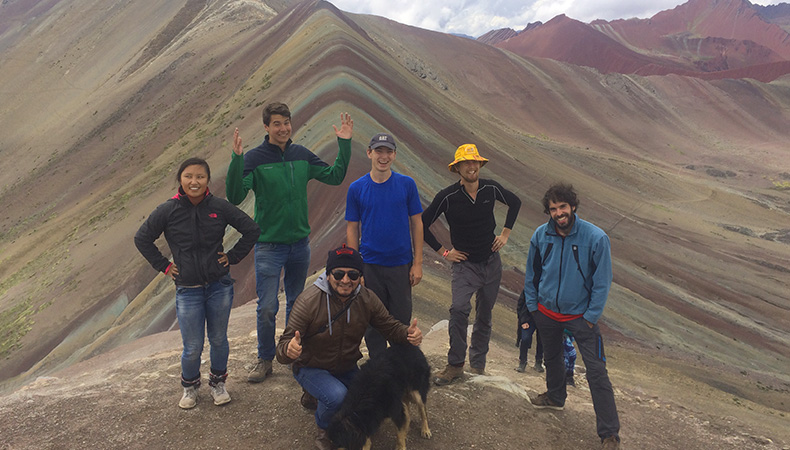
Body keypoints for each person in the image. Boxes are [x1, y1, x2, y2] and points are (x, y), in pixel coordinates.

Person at [226, 102, 354, 383]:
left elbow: (334, 176)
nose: (283, 128)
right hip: (269, 246)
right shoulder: (255, 158)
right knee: (268, 306)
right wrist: (237, 159)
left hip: (299, 244)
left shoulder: (301, 155)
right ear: (266, 127)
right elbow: (235, 196)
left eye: (286, 122)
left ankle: (292, 353)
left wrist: (344, 145)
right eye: (277, 124)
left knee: (298, 304)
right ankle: (265, 358)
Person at [134, 157, 260, 409]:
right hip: (187, 289)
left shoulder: (219, 207)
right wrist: (166, 266)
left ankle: (218, 383)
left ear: (207, 180)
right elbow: (142, 238)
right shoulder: (167, 210)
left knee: (218, 339)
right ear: (180, 179)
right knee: (192, 346)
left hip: (218, 285)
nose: (194, 181)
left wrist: (232, 257)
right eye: (189, 176)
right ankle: (190, 387)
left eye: (200, 177)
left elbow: (252, 229)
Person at [276, 245, 423, 450]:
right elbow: (282, 348)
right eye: (338, 273)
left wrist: (408, 334)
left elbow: (390, 327)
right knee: (339, 397)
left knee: (374, 394)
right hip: (311, 366)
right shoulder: (308, 301)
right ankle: (325, 430)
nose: (345, 280)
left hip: (346, 366)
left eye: (353, 274)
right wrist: (289, 350)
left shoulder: (367, 298)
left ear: (360, 277)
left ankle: (318, 394)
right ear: (328, 275)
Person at [523, 183, 620, 449]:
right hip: (546, 312)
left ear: (573, 206)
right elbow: (531, 274)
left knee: (597, 372)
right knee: (552, 358)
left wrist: (590, 316)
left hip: (581, 317)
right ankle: (555, 397)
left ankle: (609, 433)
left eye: (562, 207)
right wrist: (533, 306)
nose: (558, 213)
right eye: (553, 209)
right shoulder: (541, 235)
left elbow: (603, 281)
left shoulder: (596, 238)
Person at [422, 144, 521, 385]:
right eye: (466, 163)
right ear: (457, 168)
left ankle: (478, 365)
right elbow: (422, 224)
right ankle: (455, 365)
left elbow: (515, 202)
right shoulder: (447, 197)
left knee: (485, 315)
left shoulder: (490, 188)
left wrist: (505, 233)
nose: (471, 166)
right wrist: (444, 252)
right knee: (458, 310)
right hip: (464, 266)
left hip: (491, 263)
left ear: (480, 165)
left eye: (474, 162)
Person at [345, 132, 424, 359]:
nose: (384, 156)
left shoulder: (406, 185)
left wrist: (417, 263)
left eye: (389, 152)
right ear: (369, 153)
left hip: (401, 265)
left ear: (395, 155)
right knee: (372, 321)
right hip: (370, 266)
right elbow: (352, 228)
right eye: (379, 151)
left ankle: (400, 368)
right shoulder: (357, 188)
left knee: (401, 320)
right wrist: (355, 268)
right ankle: (379, 367)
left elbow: (417, 223)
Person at [515, 291, 544, 373]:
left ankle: (538, 362)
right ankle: (522, 362)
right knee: (525, 339)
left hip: (543, 319)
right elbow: (520, 304)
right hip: (528, 318)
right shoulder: (530, 287)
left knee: (542, 341)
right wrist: (523, 320)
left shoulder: (550, 287)